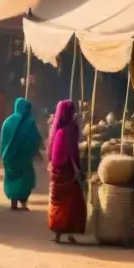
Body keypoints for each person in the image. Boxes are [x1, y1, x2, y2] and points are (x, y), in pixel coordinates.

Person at [47, 99, 87, 243]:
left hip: (61, 173)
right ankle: (70, 232)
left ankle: (59, 233)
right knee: (72, 203)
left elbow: (57, 156)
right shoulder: (72, 130)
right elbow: (74, 152)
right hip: (69, 172)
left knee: (60, 204)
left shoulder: (60, 132)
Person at [0, 97, 42, 210]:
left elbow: (3, 142)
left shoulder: (7, 122)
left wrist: (4, 155)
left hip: (9, 158)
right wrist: (35, 153)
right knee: (25, 179)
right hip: (24, 159)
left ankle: (13, 202)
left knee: (12, 178)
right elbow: (35, 140)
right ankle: (23, 203)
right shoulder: (30, 123)